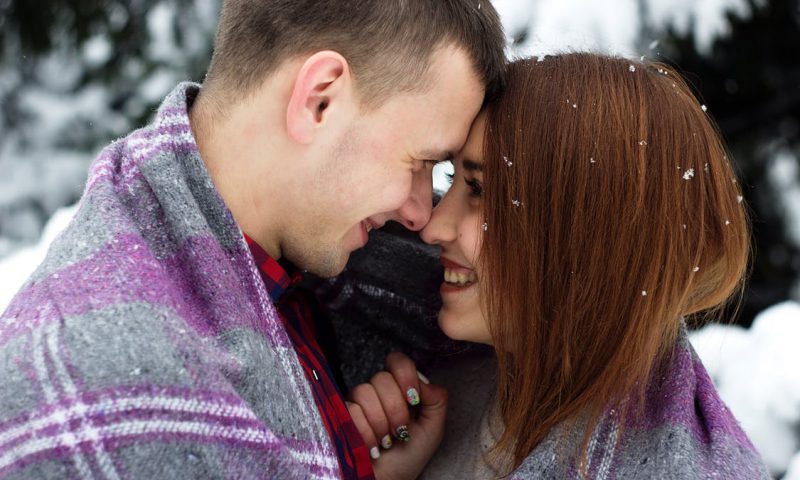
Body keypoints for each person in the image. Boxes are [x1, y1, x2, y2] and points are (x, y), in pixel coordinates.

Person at [0, 1, 505, 478]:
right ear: (319, 99)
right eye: (420, 162)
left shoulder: (284, 273)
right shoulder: (102, 394)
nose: (422, 213)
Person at [346, 54, 770, 479]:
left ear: (584, 234)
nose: (433, 226)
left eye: (478, 189)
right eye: (451, 179)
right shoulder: (444, 379)